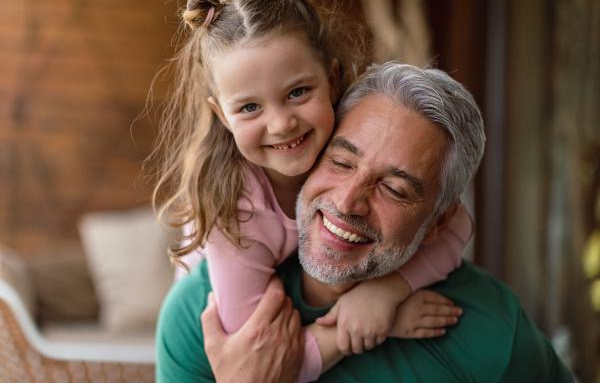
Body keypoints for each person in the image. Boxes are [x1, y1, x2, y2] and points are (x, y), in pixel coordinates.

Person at [156, 62, 574, 382]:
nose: (348, 201)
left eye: (393, 188)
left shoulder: (493, 334)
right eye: (340, 162)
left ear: (437, 224)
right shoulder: (204, 319)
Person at [151, 0, 472, 381]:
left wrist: (386, 291)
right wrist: (369, 323)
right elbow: (265, 365)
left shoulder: (352, 141)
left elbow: (454, 224)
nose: (282, 123)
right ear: (221, 115)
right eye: (250, 107)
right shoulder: (235, 219)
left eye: (298, 92)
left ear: (333, 80)